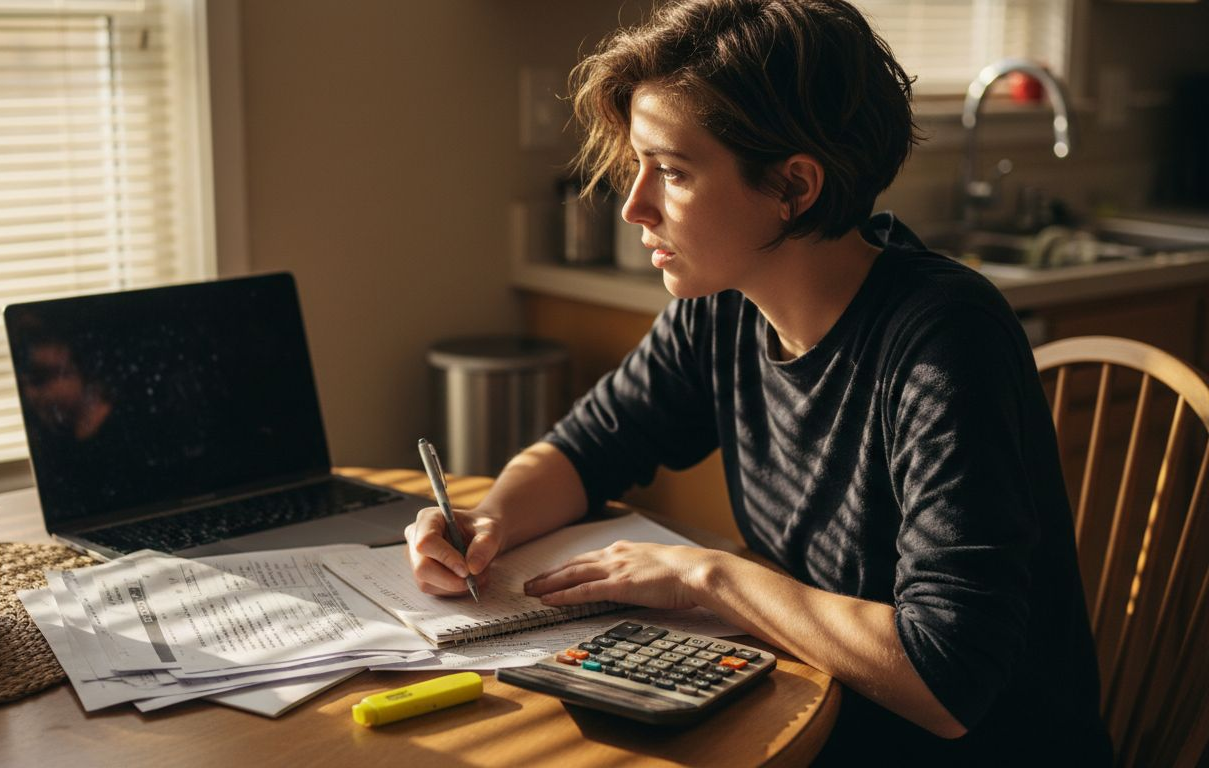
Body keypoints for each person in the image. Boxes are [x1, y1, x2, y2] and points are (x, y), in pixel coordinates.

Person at [405, 0, 1110, 763]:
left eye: (671, 171)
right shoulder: (724, 310)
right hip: (821, 711)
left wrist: (707, 576)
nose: (634, 205)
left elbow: (948, 681)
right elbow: (585, 449)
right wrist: (489, 524)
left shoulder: (944, 341)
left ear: (793, 188)